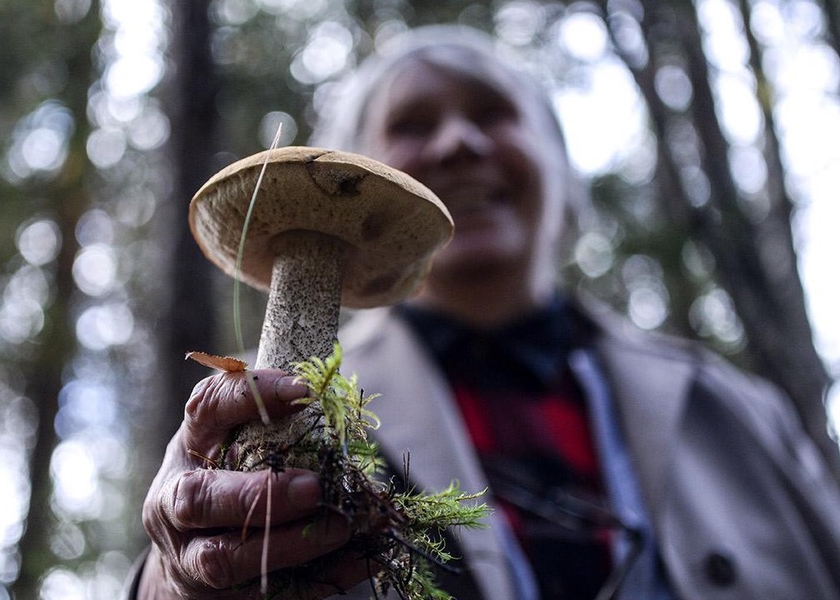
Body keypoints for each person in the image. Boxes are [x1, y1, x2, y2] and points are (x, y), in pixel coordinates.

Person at [126, 25, 840, 600]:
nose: (458, 142)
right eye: (412, 124)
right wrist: (172, 580)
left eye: (494, 114)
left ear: (561, 170)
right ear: (348, 167)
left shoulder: (738, 411)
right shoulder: (268, 409)